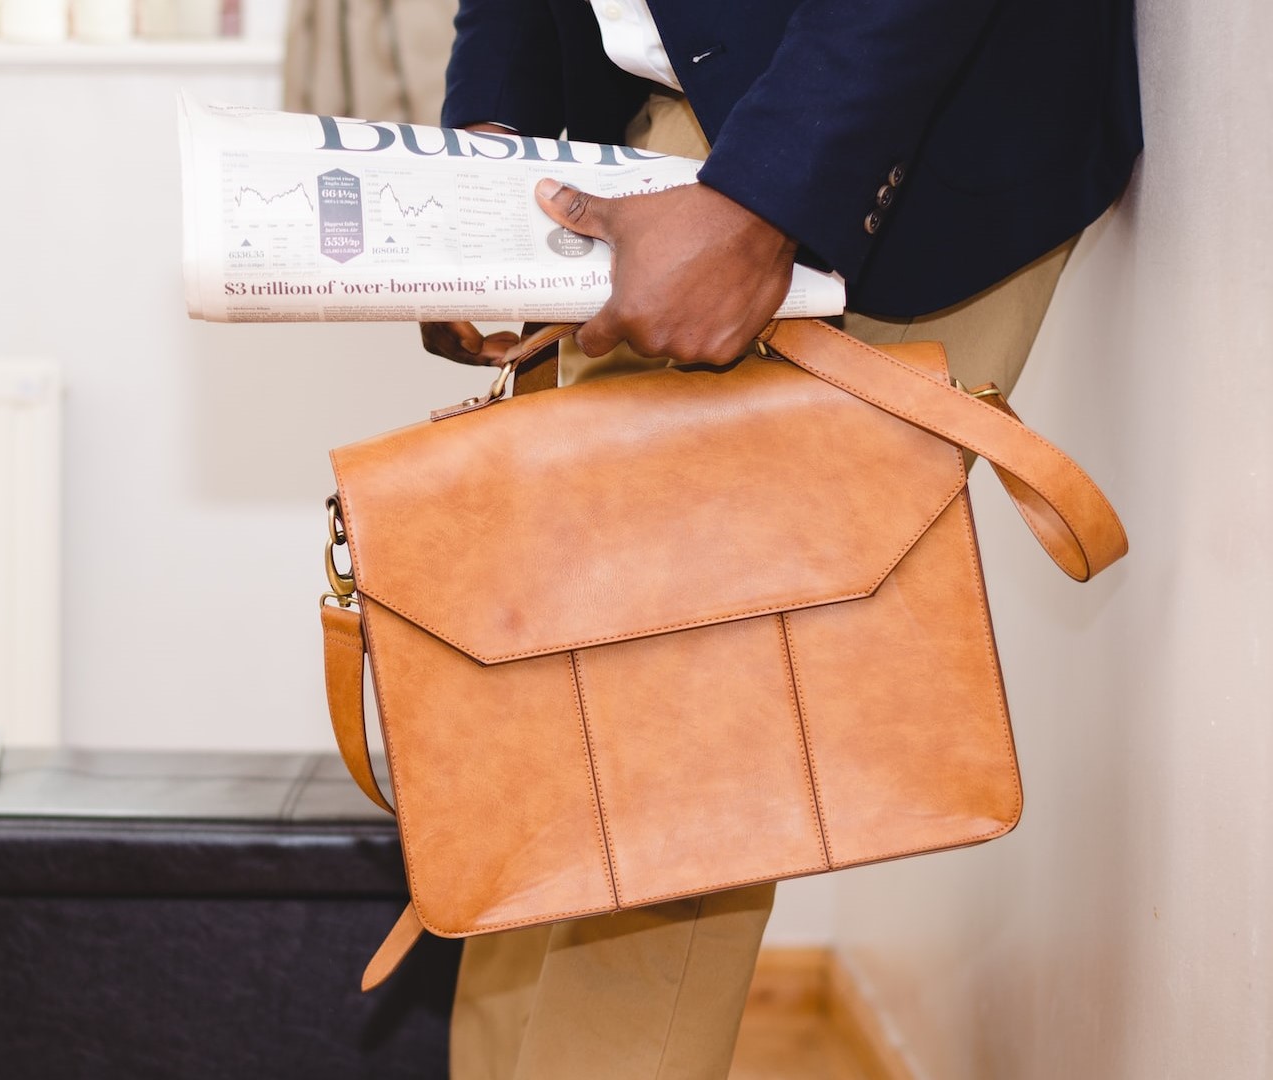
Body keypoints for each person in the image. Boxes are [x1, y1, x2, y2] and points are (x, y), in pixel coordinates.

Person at [419, 2, 1142, 1077]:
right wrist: (489, 147)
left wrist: (765, 201)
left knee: (682, 757)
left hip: (858, 124)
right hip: (641, 127)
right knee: (554, 724)